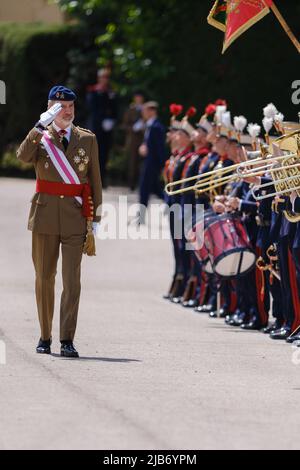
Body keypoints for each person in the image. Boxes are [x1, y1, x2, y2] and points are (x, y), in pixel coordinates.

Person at [17, 85, 102, 358]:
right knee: (44, 278)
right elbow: (22, 157)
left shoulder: (87, 139)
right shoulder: (40, 137)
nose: (67, 112)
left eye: (71, 107)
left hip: (76, 217)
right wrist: (39, 127)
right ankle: (45, 335)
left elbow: (95, 180)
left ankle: (67, 339)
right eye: (61, 107)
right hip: (44, 215)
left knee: (72, 281)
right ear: (51, 108)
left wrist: (95, 217)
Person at [86, 68, 118, 187]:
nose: (105, 80)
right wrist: (102, 120)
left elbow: (115, 109)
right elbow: (91, 108)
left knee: (105, 154)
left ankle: (102, 179)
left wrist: (112, 120)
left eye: (107, 77)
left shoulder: (111, 92)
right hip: (96, 127)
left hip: (107, 129)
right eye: (103, 77)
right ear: (99, 78)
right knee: (93, 154)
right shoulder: (93, 91)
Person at [138, 101, 166, 223]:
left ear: (152, 111)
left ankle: (141, 217)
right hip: (149, 162)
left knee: (145, 189)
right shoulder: (150, 125)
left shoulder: (156, 127)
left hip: (153, 164)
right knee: (155, 190)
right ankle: (141, 216)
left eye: (145, 111)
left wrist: (161, 166)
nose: (143, 113)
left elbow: (160, 148)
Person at [123, 91, 146, 190]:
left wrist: (143, 127)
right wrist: (133, 128)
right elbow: (125, 124)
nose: (138, 99)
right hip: (133, 139)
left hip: (143, 138)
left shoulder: (145, 109)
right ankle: (131, 184)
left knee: (142, 162)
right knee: (132, 162)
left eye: (140, 97)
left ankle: (141, 183)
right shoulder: (131, 109)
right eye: (137, 97)